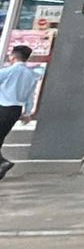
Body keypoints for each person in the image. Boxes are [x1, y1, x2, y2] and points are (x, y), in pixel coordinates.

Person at [0, 42, 45, 180]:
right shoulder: (31, 75)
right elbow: (30, 96)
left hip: (3, 107)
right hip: (16, 110)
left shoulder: (8, 71)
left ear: (13, 56)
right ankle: (2, 165)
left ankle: (3, 163)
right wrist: (27, 113)